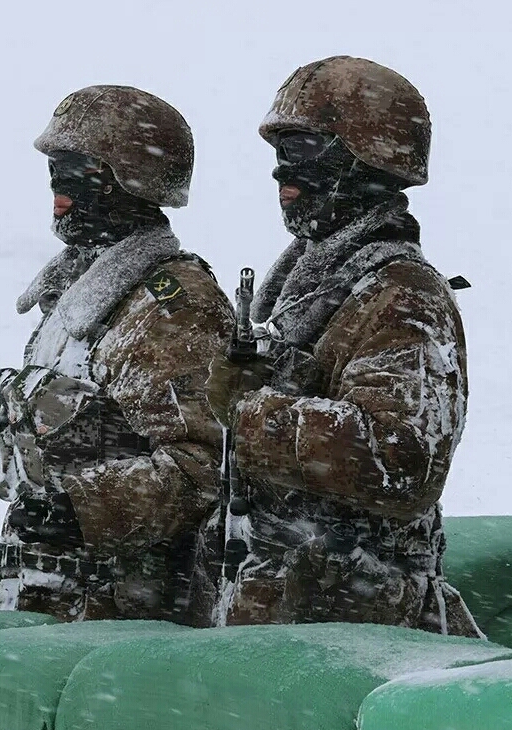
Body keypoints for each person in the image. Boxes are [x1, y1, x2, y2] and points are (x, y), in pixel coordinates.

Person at [203, 56, 481, 637]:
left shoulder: (404, 298)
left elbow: (402, 463)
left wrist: (252, 411)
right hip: (284, 615)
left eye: (302, 150)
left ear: (365, 161)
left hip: (358, 624)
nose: (282, 174)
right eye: (279, 153)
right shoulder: (305, 293)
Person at [0, 85, 234, 623]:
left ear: (131, 182)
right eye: (55, 164)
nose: (57, 181)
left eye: (78, 167)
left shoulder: (172, 307)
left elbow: (206, 468)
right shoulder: (75, 300)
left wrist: (78, 509)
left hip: (118, 616)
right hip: (42, 595)